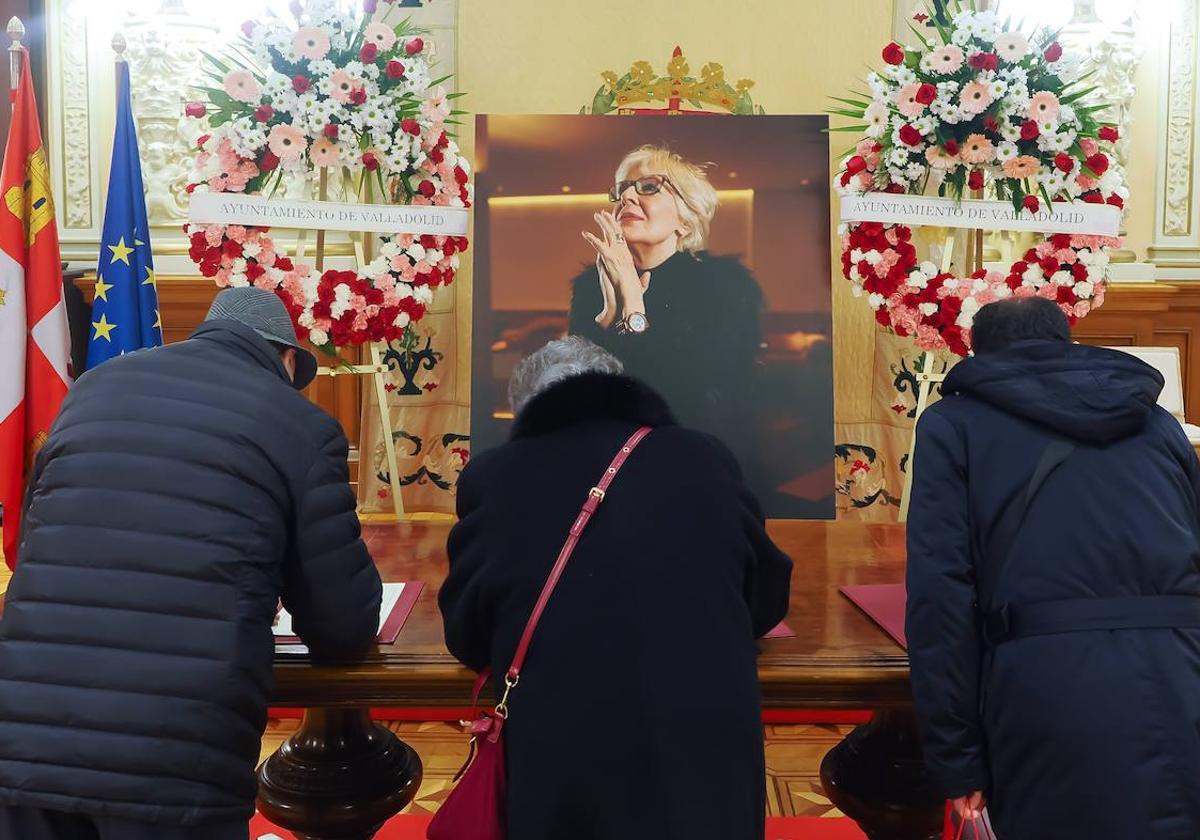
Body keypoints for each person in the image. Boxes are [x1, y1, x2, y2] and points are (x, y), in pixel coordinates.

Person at [0, 287, 383, 840]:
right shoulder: (300, 425)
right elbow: (343, 626)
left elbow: (37, 534)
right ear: (287, 359)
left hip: (25, 737)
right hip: (174, 756)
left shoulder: (92, 389)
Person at [440, 336, 792, 840]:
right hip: (700, 743)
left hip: (563, 750)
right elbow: (765, 600)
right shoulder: (704, 455)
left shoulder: (493, 475)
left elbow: (467, 632)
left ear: (522, 412)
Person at [905, 297, 1200, 840]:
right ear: (1066, 343)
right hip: (1179, 676)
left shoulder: (953, 424)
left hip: (1045, 686)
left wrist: (957, 758)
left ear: (981, 353)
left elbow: (940, 596)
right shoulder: (1158, 423)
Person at [569, 144, 763, 472]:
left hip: (688, 467)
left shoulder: (724, 287)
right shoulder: (591, 287)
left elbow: (692, 405)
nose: (627, 198)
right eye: (621, 191)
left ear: (684, 222)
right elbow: (573, 398)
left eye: (647, 187)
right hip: (602, 467)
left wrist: (633, 301)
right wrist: (605, 320)